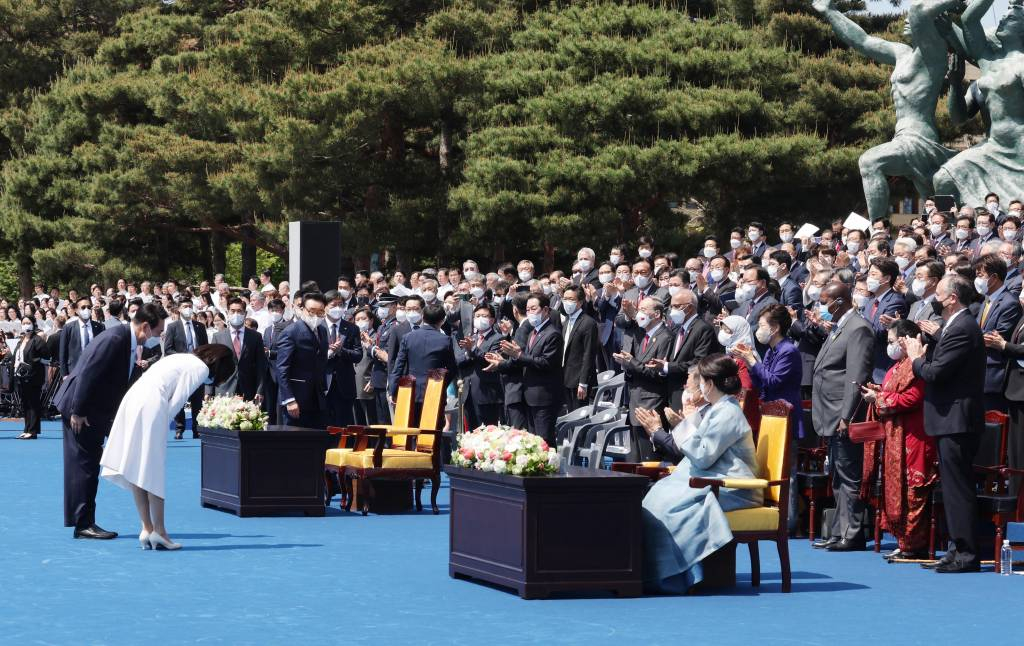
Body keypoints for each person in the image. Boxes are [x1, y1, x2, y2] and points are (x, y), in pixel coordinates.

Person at [637, 354, 761, 593]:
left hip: (736, 487)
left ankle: (673, 575)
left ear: (710, 384)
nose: (696, 385)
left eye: (699, 380)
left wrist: (678, 428)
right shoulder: (719, 408)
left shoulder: (728, 412)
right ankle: (656, 570)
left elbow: (704, 455)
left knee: (669, 509)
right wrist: (682, 424)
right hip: (715, 477)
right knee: (657, 496)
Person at [100, 345, 235, 551]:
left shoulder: (183, 357)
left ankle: (147, 527)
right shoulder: (200, 368)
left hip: (133, 399)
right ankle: (160, 531)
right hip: (151, 404)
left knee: (137, 464)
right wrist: (163, 423)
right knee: (152, 468)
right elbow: (179, 399)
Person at [54, 302, 167, 540]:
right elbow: (88, 373)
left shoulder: (126, 339)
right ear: (145, 326)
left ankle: (84, 521)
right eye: (157, 333)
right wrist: (78, 410)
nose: (156, 338)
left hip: (93, 410)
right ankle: (83, 524)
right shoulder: (115, 339)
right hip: (81, 411)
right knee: (83, 467)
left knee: (88, 464)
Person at [905, 274, 986, 572]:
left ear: (952, 298)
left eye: (939, 294)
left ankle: (966, 553)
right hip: (949, 419)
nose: (935, 301)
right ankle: (956, 549)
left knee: (957, 488)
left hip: (957, 420)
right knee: (952, 487)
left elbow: (936, 373)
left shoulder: (963, 328)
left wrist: (915, 359)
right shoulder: (954, 327)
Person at [859, 319, 935, 561]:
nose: (888, 346)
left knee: (913, 491)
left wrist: (879, 398)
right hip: (895, 437)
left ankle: (914, 544)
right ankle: (903, 541)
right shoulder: (895, 366)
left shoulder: (917, 365)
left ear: (904, 341)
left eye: (892, 341)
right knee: (899, 489)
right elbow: (892, 392)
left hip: (914, 437)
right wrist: (877, 391)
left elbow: (912, 398)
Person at [811, 281, 874, 552]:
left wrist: (846, 415)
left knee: (849, 474)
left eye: (826, 302)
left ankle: (854, 532)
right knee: (837, 474)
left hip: (842, 413)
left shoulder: (858, 328)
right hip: (828, 411)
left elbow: (855, 376)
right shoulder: (839, 327)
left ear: (840, 301)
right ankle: (838, 530)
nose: (823, 307)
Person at [485, 293, 563, 443]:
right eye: (528, 310)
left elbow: (545, 363)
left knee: (544, 441)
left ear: (545, 310)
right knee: (533, 441)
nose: (530, 313)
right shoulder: (534, 332)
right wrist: (505, 360)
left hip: (544, 397)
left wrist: (519, 355)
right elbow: (524, 359)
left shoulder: (552, 334)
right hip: (530, 395)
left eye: (534, 309)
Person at [614, 298, 672, 460]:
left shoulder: (665, 337)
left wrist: (630, 362)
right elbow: (638, 365)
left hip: (651, 403)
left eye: (644, 310)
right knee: (637, 460)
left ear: (657, 314)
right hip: (636, 401)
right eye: (639, 309)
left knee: (649, 460)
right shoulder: (644, 335)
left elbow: (657, 372)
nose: (640, 314)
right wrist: (627, 365)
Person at [391, 303, 457, 425]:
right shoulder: (445, 340)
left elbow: (398, 367)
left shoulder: (408, 337)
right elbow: (453, 369)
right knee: (431, 433)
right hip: (434, 392)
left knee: (409, 433)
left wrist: (393, 391)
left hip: (410, 392)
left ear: (423, 317)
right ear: (442, 321)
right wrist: (440, 383)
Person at [973, 254, 1021, 411]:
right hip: (978, 371)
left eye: (980, 275)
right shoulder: (986, 300)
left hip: (992, 374)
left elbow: (993, 337)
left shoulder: (1009, 303)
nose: (977, 279)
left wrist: (965, 336)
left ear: (993, 277)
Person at [277, 292, 331, 429]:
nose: (316, 316)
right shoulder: (291, 332)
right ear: (303, 309)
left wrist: (323, 388)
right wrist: (289, 399)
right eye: (312, 311)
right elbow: (282, 368)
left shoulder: (323, 331)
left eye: (320, 312)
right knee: (295, 442)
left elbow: (321, 361)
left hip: (317, 397)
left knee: (316, 441)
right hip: (296, 398)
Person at [454, 304, 505, 429]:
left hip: (487, 394)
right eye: (477, 316)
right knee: (470, 433)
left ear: (492, 320)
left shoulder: (498, 338)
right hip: (467, 392)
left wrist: (473, 350)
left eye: (484, 316)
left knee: (487, 433)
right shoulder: (471, 337)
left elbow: (491, 359)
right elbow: (459, 360)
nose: (480, 318)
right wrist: (469, 354)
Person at [164, 302, 209, 439]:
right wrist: (184, 357)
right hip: (180, 369)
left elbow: (206, 347)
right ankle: (180, 428)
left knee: (197, 401)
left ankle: (197, 428)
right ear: (179, 309)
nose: (187, 309)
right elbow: (168, 349)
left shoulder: (200, 326)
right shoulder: (173, 327)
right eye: (184, 306)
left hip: (196, 368)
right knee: (179, 399)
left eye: (189, 306)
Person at [213, 297, 267, 403]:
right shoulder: (218, 337)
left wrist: (260, 390)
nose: (236, 314)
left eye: (239, 311)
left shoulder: (255, 337)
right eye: (232, 311)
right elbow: (213, 366)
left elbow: (261, 365)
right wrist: (208, 391)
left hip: (249, 390)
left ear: (245, 313)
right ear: (227, 313)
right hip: (224, 390)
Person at [322, 289, 363, 427]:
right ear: (325, 306)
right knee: (323, 424)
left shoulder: (352, 328)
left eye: (340, 305)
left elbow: (358, 355)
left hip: (344, 384)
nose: (337, 308)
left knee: (343, 424)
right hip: (322, 383)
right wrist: (327, 352)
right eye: (334, 305)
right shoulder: (317, 326)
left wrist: (341, 351)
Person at [559, 286, 599, 412]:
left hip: (579, 380)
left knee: (579, 416)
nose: (567, 302)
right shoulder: (567, 321)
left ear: (580, 302)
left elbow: (589, 354)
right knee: (569, 415)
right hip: (566, 376)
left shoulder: (588, 323)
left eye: (571, 299)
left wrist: (583, 383)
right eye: (565, 299)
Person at [13, 317, 49, 439]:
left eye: (28, 323)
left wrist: (34, 361)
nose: (26, 325)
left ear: (33, 324)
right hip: (21, 376)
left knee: (33, 403)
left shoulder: (37, 340)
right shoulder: (21, 340)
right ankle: (27, 428)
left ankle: (33, 431)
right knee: (25, 403)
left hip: (34, 376)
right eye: (23, 323)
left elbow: (47, 357)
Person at [59, 296, 105, 378]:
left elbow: (103, 350)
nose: (86, 310)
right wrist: (64, 374)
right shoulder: (68, 328)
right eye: (83, 307)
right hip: (74, 371)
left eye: (89, 307)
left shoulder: (100, 327)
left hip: (94, 371)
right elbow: (63, 352)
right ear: (76, 310)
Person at [262, 298, 288, 425]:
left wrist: (270, 353)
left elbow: (287, 351)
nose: (274, 313)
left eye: (277, 310)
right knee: (269, 404)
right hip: (268, 373)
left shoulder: (288, 327)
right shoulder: (267, 330)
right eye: (272, 310)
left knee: (280, 405)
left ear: (283, 311)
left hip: (281, 372)